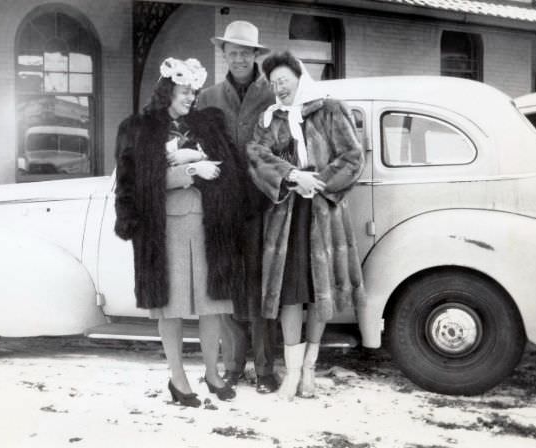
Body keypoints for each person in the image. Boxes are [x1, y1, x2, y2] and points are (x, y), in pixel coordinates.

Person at [114, 57, 249, 407]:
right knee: (169, 306)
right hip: (164, 229)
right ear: (168, 89)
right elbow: (136, 185)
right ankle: (178, 378)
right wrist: (189, 170)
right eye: (185, 91)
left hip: (208, 224)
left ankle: (212, 373)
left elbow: (229, 171)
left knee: (211, 304)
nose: (191, 97)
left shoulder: (209, 125)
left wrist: (208, 170)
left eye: (194, 91)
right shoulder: (139, 128)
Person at [246, 51, 366, 400]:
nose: (279, 88)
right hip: (286, 218)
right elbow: (256, 156)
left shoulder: (331, 109)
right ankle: (292, 373)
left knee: (319, 296)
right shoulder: (271, 119)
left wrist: (320, 182)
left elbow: (353, 157)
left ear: (300, 77)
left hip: (324, 216)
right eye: (273, 84)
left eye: (283, 81)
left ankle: (309, 371)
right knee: (289, 295)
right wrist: (291, 175)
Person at [196, 20, 280, 394]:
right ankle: (233, 364)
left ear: (255, 55)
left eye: (246, 52)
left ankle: (264, 369)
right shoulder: (208, 97)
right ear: (224, 55)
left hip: (265, 206)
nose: (239, 58)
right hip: (221, 208)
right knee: (226, 285)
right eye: (233, 52)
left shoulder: (273, 96)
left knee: (262, 287)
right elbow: (194, 147)